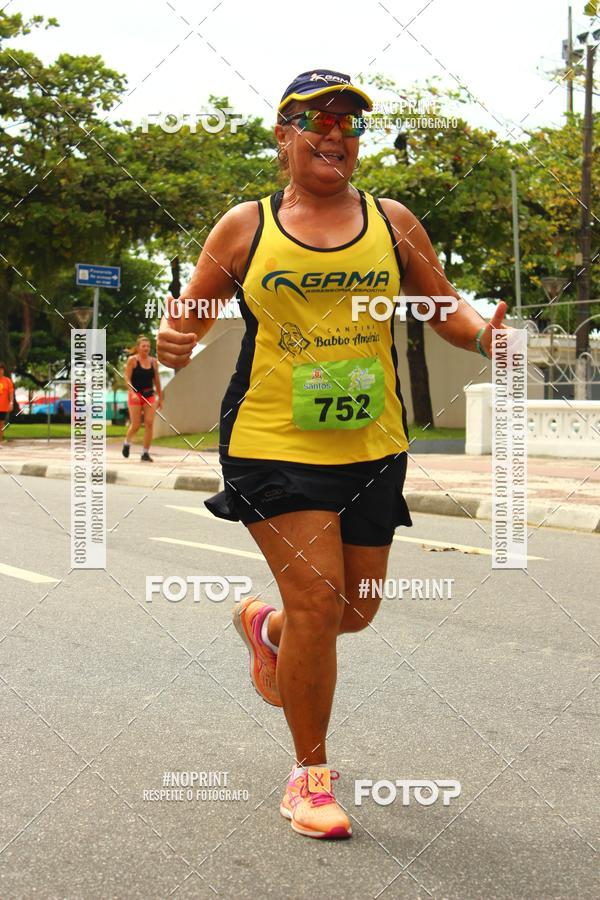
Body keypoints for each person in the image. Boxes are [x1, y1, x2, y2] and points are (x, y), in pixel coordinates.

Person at [157, 68, 508, 840]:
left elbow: (442, 305)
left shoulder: (393, 221)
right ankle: (309, 778)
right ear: (284, 136)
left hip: (373, 440)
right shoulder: (244, 227)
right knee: (321, 600)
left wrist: (485, 332)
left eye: (350, 124)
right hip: (271, 438)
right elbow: (186, 321)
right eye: (317, 121)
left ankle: (269, 631)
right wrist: (169, 343)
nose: (336, 135)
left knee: (354, 610)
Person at [122, 335, 162, 462]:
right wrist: (132, 392)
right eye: (144, 346)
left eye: (148, 346)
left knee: (149, 423)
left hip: (149, 395)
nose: (146, 348)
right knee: (136, 425)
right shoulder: (132, 360)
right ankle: (127, 443)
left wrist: (160, 397)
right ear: (138, 348)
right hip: (135, 395)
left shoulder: (153, 362)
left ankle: (145, 453)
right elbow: (127, 378)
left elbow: (157, 380)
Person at [0, 361, 15, 446]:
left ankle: (0, 441)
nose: (0, 371)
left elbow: (11, 393)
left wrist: (11, 402)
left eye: (1, 369)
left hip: (3, 407)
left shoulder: (7, 381)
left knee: (1, 425)